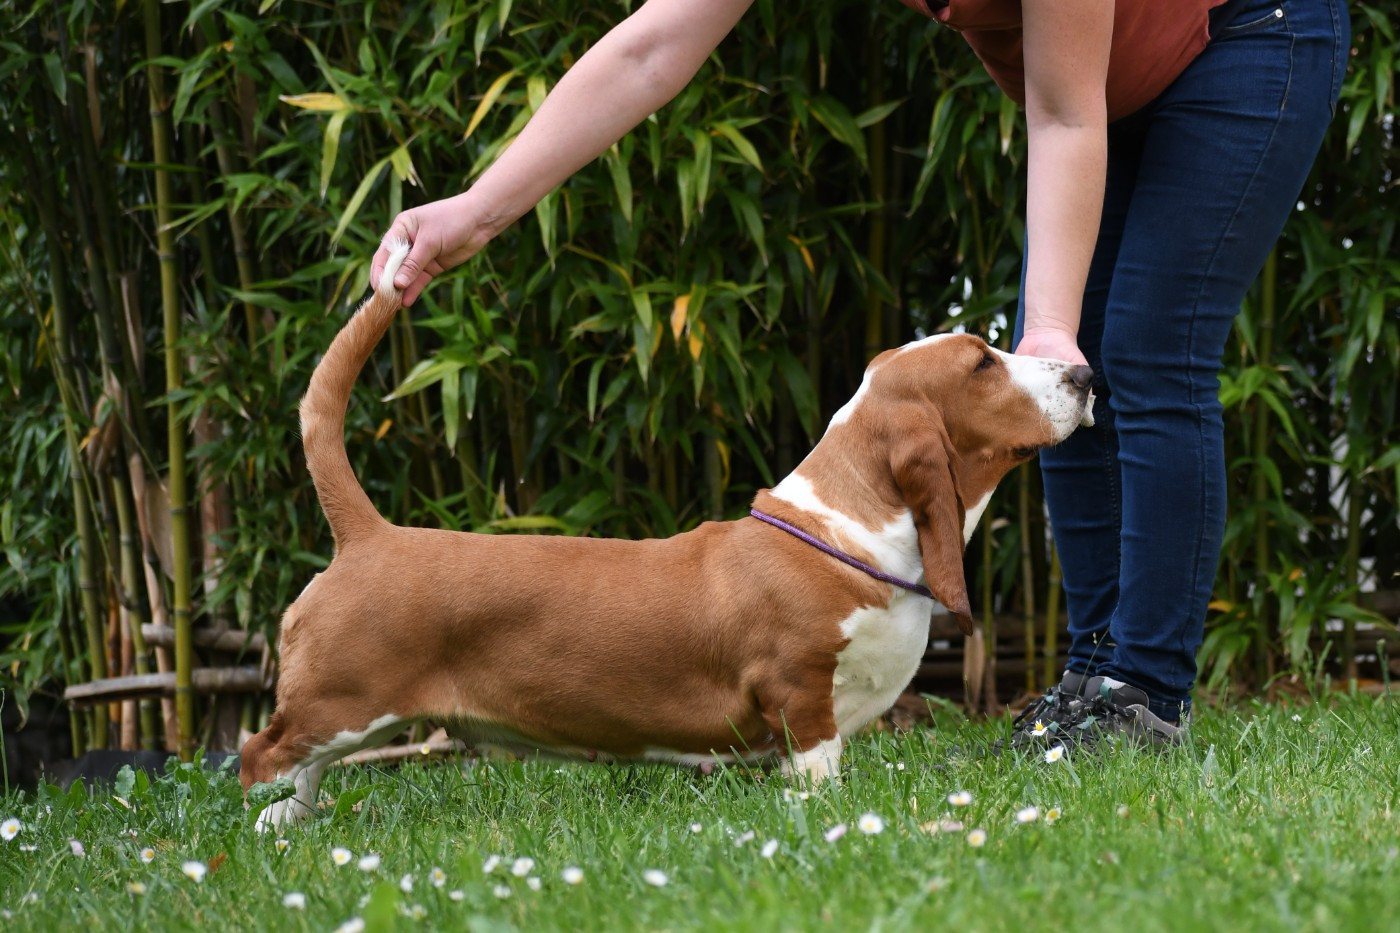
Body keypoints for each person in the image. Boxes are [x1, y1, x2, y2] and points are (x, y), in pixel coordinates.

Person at [372, 0, 1349, 750]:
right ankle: (1094, 676)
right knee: (1061, 378)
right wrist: (480, 210)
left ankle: (1144, 690)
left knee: (1133, 347)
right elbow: (651, 44)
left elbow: (1059, 114)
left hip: (1246, 37)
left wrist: (1044, 331)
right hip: (1105, 78)